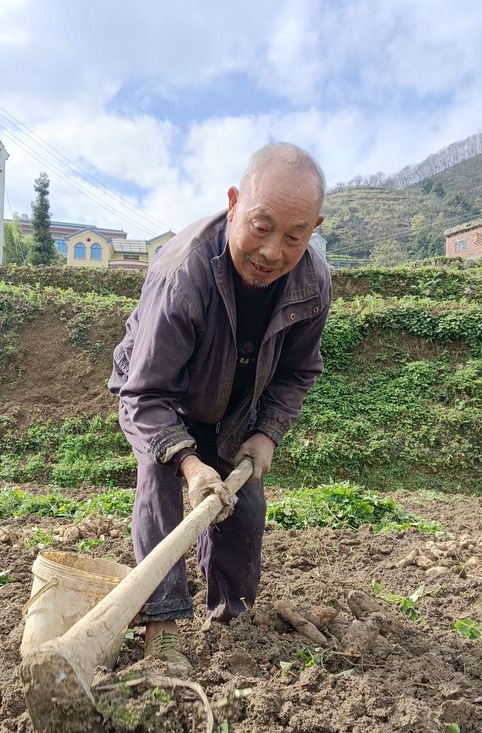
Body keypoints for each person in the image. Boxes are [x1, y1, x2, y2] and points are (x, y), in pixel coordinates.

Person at [108, 142, 331, 671]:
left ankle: (233, 621)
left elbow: (300, 371)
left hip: (236, 407)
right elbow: (145, 393)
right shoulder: (181, 273)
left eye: (294, 236)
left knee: (245, 506)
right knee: (161, 489)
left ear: (313, 229)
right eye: (260, 226)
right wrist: (189, 463)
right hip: (163, 399)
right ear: (234, 203)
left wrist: (267, 433)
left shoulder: (312, 284)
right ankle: (162, 628)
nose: (273, 251)